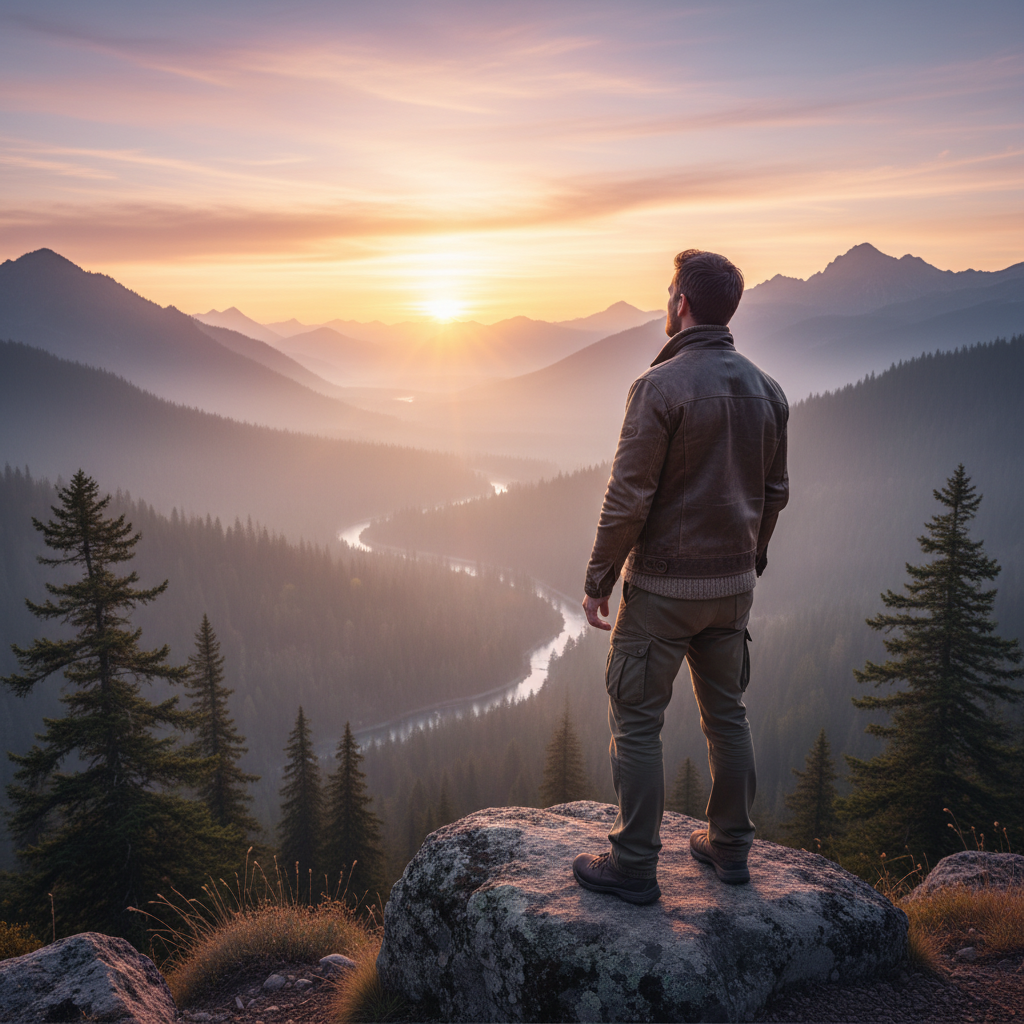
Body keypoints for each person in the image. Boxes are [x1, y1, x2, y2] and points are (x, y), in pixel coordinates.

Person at [572, 249, 789, 905]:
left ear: (682, 304)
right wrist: (751, 559)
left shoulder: (658, 388)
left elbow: (628, 499)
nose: (668, 301)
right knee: (728, 716)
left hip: (663, 591)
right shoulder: (767, 389)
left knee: (637, 721)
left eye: (670, 291)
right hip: (732, 591)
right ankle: (730, 849)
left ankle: (634, 865)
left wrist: (599, 578)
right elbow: (775, 493)